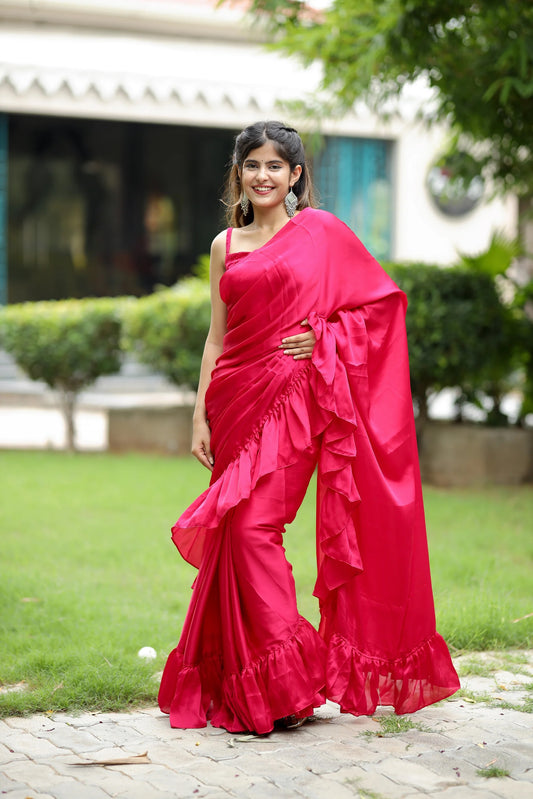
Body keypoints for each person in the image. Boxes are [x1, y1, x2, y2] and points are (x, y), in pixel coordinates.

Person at [158, 120, 460, 734]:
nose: (263, 176)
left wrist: (323, 335)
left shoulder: (319, 234)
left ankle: (289, 679)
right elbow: (216, 337)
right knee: (233, 536)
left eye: (276, 166)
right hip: (234, 400)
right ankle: (256, 685)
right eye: (252, 165)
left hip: (295, 402)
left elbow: (379, 306)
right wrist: (199, 414)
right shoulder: (225, 245)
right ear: (239, 173)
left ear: (296, 175)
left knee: (253, 528)